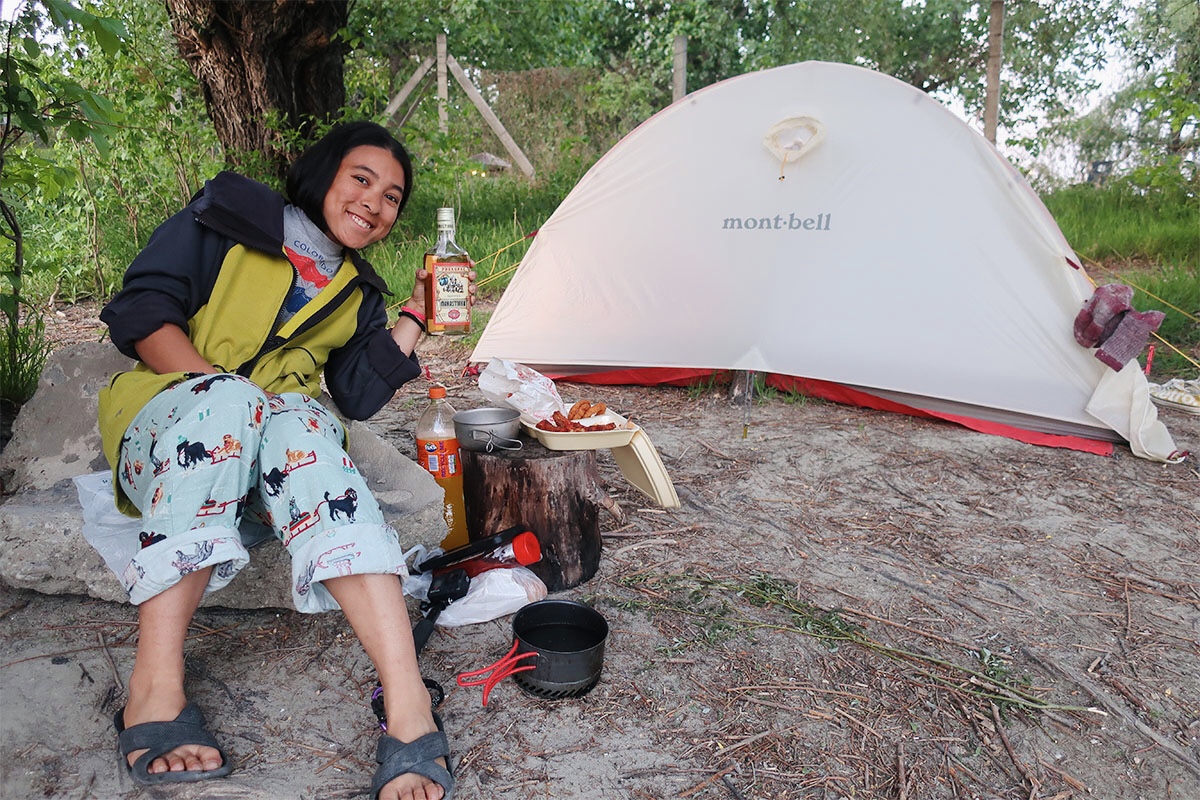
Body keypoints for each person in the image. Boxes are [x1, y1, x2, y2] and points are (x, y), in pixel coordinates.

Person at [96, 121, 463, 800]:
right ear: (325, 173)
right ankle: (153, 689)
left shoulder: (357, 293)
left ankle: (408, 703)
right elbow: (143, 308)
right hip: (170, 421)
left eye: (391, 197)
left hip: (273, 447)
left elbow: (355, 394)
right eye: (362, 179)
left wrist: (418, 313)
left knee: (305, 422)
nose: (374, 203)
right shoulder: (232, 215)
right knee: (237, 402)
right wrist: (219, 391)